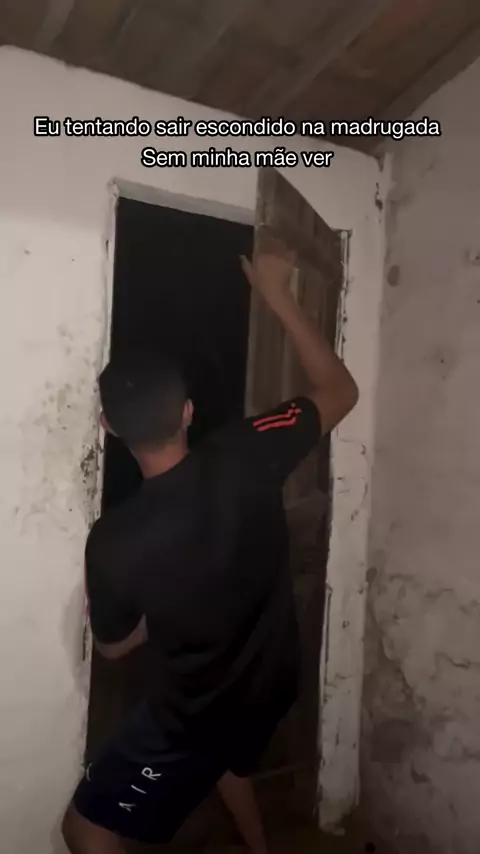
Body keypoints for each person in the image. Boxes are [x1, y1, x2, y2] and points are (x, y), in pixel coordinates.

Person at [62, 247, 358, 854]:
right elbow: (340, 390)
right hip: (272, 681)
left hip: (194, 714)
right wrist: (276, 293)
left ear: (109, 429)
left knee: (84, 829)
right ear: (188, 412)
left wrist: (151, 610)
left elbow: (114, 647)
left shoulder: (113, 542)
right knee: (226, 757)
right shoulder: (250, 449)